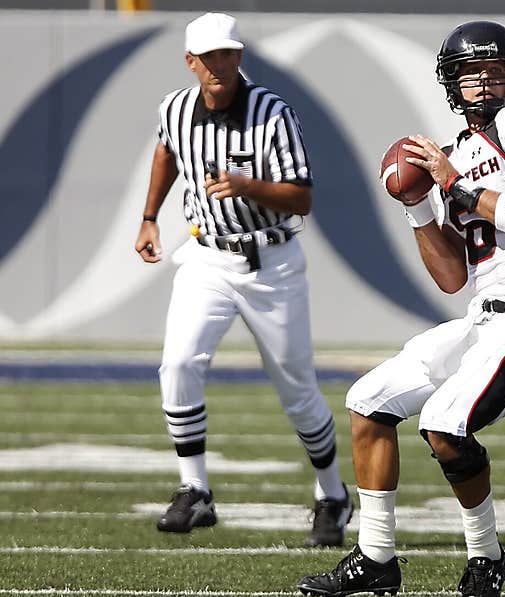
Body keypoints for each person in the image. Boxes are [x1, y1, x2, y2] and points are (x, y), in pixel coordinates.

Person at [297, 20, 505, 597]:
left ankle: (486, 558)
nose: (483, 80)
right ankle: (376, 558)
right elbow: (453, 276)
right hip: (484, 318)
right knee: (369, 400)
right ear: (450, 83)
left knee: (445, 423)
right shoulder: (456, 153)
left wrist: (453, 184)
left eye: (493, 68)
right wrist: (419, 206)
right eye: (468, 71)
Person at [134, 12, 352, 547]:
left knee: (296, 388)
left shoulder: (272, 111)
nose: (219, 66)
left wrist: (247, 186)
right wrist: (148, 216)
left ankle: (332, 495)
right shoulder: (175, 108)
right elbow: (167, 148)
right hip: (207, 255)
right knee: (179, 363)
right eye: (208, 58)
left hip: (271, 261)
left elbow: (301, 196)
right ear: (191, 62)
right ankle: (195, 490)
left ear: (239, 56)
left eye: (227, 55)